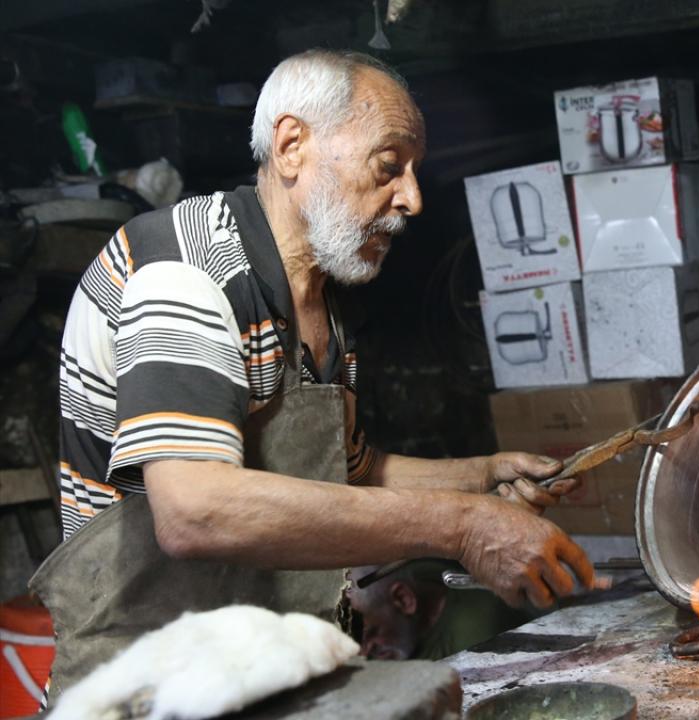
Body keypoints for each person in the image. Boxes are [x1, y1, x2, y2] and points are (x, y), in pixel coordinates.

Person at [31, 49, 593, 699]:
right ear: (293, 145)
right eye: (389, 167)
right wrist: (462, 525)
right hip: (145, 685)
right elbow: (195, 508)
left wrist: (483, 476)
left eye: (413, 173)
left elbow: (351, 470)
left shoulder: (320, 305)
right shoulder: (185, 271)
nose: (411, 198)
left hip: (265, 669)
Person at [345, 561, 528, 661]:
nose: (363, 653)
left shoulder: (474, 640)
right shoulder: (421, 567)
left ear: (404, 599)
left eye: (371, 634)